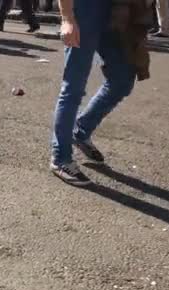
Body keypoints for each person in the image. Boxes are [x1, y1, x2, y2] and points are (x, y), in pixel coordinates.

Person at [50, 0, 145, 185]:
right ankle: (60, 158)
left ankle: (81, 131)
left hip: (118, 10)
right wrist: (68, 18)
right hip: (86, 9)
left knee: (122, 81)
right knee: (73, 88)